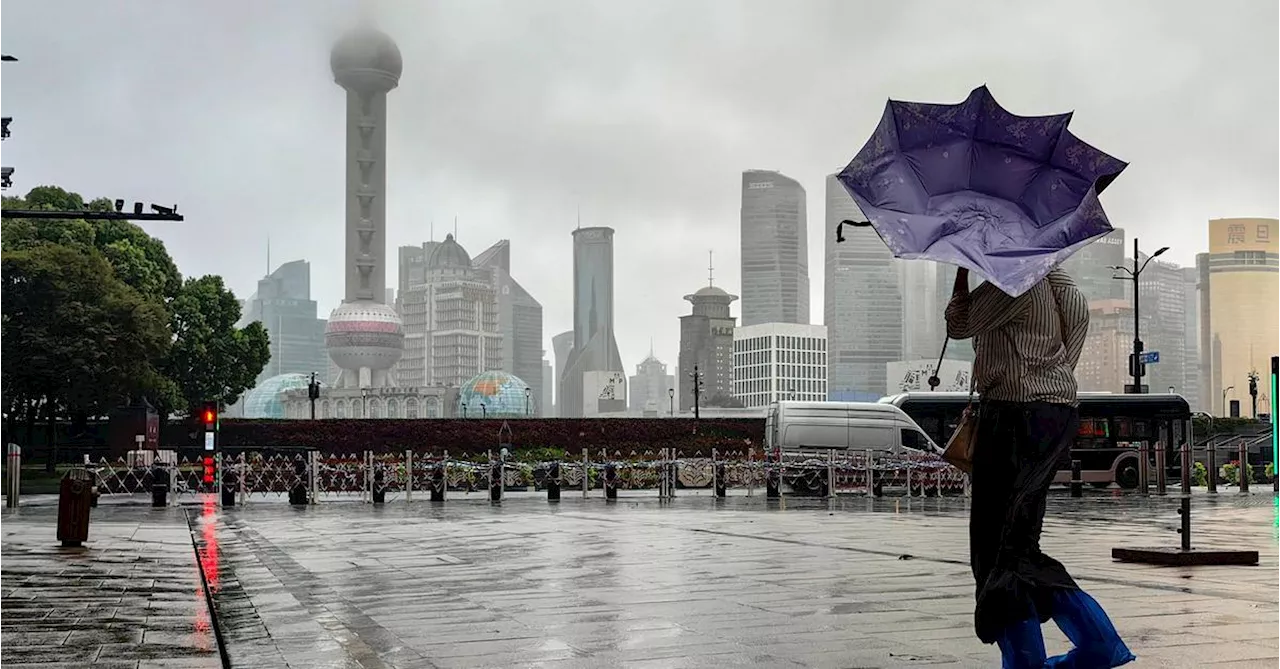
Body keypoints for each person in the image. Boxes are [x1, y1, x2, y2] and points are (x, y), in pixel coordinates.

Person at [945, 266, 1135, 669]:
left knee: (996, 550)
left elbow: (959, 324)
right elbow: (1071, 347)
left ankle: (1031, 660)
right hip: (1054, 414)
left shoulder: (1014, 276)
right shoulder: (1064, 283)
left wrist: (961, 273)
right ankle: (1097, 641)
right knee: (1018, 544)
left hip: (1013, 417)